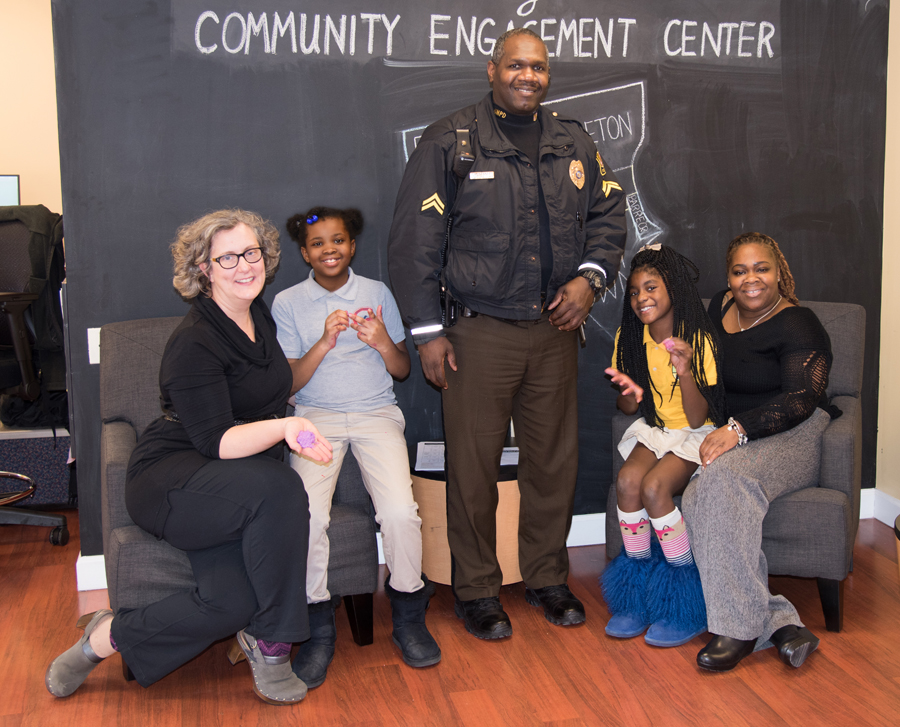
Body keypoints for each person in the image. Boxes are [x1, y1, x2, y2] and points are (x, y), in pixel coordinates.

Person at [388, 27, 627, 640]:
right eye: (517, 66)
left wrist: (590, 280)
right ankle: (476, 589)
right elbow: (415, 244)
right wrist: (427, 334)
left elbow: (607, 211)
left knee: (553, 463)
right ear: (492, 69)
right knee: (474, 466)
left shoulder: (573, 139)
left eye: (540, 68)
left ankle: (547, 577)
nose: (529, 77)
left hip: (553, 329)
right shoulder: (452, 141)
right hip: (477, 334)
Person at [45, 209, 333, 706]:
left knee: (230, 604)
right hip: (175, 476)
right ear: (205, 269)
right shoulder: (194, 341)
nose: (245, 266)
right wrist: (288, 428)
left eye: (251, 252)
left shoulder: (256, 314)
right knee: (283, 487)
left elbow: (265, 388)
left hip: (235, 483)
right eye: (228, 258)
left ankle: (106, 637)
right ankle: (273, 645)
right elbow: (217, 441)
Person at [271, 206, 440, 686]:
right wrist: (324, 343)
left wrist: (384, 341)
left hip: (375, 412)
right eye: (319, 243)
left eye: (338, 240)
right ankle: (318, 627)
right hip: (313, 417)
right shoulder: (287, 303)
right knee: (307, 516)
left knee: (401, 513)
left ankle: (409, 613)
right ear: (305, 253)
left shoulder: (376, 292)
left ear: (351, 245)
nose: (330, 249)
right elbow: (288, 386)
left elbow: (403, 370)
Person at [684, 232, 836, 671]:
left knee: (724, 481)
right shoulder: (719, 307)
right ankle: (781, 623)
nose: (751, 279)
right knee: (698, 496)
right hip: (740, 434)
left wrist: (737, 430)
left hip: (796, 432)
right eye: (740, 270)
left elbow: (801, 398)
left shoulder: (799, 323)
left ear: (779, 273)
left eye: (761, 268)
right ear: (728, 278)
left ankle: (738, 631)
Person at [602, 245, 726, 648]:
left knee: (655, 488)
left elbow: (694, 418)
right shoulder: (630, 337)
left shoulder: (698, 337)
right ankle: (636, 594)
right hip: (655, 428)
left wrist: (685, 370)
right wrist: (627, 387)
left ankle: (682, 601)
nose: (642, 299)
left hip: (694, 433)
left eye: (651, 287)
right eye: (635, 292)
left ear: (671, 288)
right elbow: (628, 404)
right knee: (627, 482)